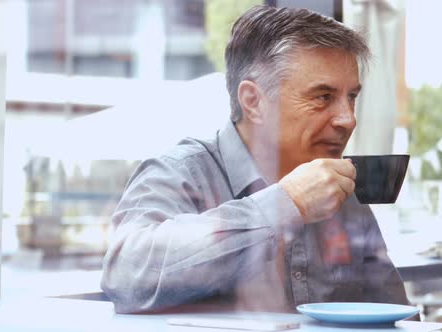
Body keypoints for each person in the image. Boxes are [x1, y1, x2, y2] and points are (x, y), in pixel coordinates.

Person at [101, 5, 409, 314]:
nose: (347, 119)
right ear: (253, 102)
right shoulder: (182, 173)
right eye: (323, 97)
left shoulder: (344, 193)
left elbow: (396, 315)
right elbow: (127, 275)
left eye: (352, 97)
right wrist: (287, 204)